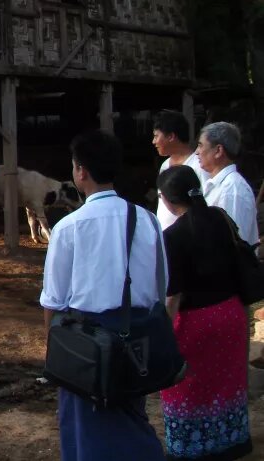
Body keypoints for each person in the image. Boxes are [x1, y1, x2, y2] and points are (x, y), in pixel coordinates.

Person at [41, 130, 165, 460]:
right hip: (138, 337)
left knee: (87, 430)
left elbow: (53, 301)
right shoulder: (148, 221)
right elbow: (159, 288)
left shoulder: (69, 226)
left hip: (87, 343)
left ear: (80, 171)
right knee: (131, 417)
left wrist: (57, 356)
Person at [157, 165, 252, 461]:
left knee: (186, 389)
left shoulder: (173, 235)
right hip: (231, 315)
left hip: (196, 323)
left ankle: (191, 448)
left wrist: (162, 336)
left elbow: (174, 295)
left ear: (166, 199)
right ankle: (231, 441)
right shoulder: (221, 218)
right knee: (226, 383)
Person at [196, 122, 259, 249]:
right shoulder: (219, 185)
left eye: (200, 145)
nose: (197, 152)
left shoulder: (232, 189)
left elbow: (235, 242)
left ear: (218, 151)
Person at [152, 110, 208, 230]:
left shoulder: (198, 165)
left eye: (156, 136)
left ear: (171, 136)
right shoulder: (165, 166)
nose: (154, 141)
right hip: (166, 235)